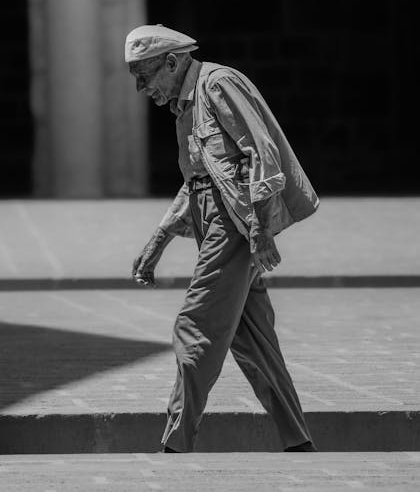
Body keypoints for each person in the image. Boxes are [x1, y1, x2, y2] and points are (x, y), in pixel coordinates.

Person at [126, 24, 319, 453]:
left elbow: (260, 152)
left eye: (145, 75)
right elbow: (200, 180)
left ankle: (174, 444)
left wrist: (260, 229)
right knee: (252, 339)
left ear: (172, 62)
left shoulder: (218, 84)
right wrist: (157, 243)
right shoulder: (185, 108)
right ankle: (298, 441)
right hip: (217, 221)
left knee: (195, 327)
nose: (142, 88)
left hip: (235, 225)